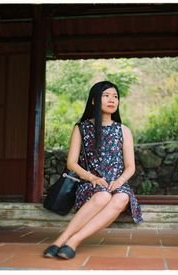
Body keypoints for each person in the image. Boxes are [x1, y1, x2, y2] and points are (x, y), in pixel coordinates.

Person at [43, 81, 143, 260]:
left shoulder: (123, 130)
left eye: (115, 97)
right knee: (103, 196)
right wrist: (92, 178)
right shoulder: (81, 128)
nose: (112, 100)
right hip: (91, 184)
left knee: (122, 197)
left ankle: (73, 241)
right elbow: (72, 162)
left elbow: (130, 167)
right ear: (94, 101)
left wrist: (119, 182)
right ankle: (61, 240)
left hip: (117, 184)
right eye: (106, 96)